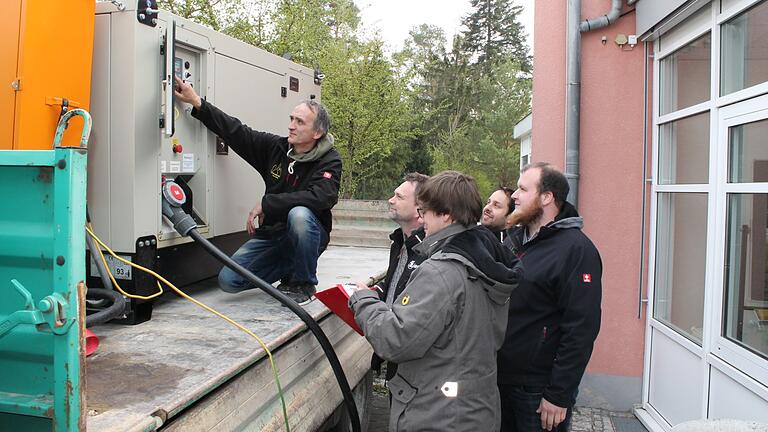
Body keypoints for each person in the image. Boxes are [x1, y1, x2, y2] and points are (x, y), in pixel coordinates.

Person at [349, 171, 522, 431]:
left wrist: (363, 300)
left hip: (436, 414)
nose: (421, 218)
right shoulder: (485, 258)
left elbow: (395, 340)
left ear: (446, 215)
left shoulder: (441, 271)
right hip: (473, 409)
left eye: (425, 211)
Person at [174, 77, 341, 305]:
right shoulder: (277, 148)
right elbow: (237, 132)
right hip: (274, 235)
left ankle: (302, 283)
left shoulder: (329, 160)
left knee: (299, 214)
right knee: (228, 281)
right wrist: (197, 102)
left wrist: (268, 203)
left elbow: (322, 197)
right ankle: (291, 266)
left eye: (300, 122)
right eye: (291, 119)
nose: (291, 125)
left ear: (317, 133)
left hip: (308, 234)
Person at [498, 162, 602, 432]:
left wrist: (558, 394)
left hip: (538, 388)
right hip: (501, 377)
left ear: (546, 197)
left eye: (523, 189)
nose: (514, 196)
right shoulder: (514, 240)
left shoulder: (577, 250)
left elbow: (581, 329)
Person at [370, 172, 429, 381]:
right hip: (394, 353)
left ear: (419, 210)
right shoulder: (399, 242)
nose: (390, 200)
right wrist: (372, 293)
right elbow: (394, 285)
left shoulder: (428, 251)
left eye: (399, 197)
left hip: (414, 365)